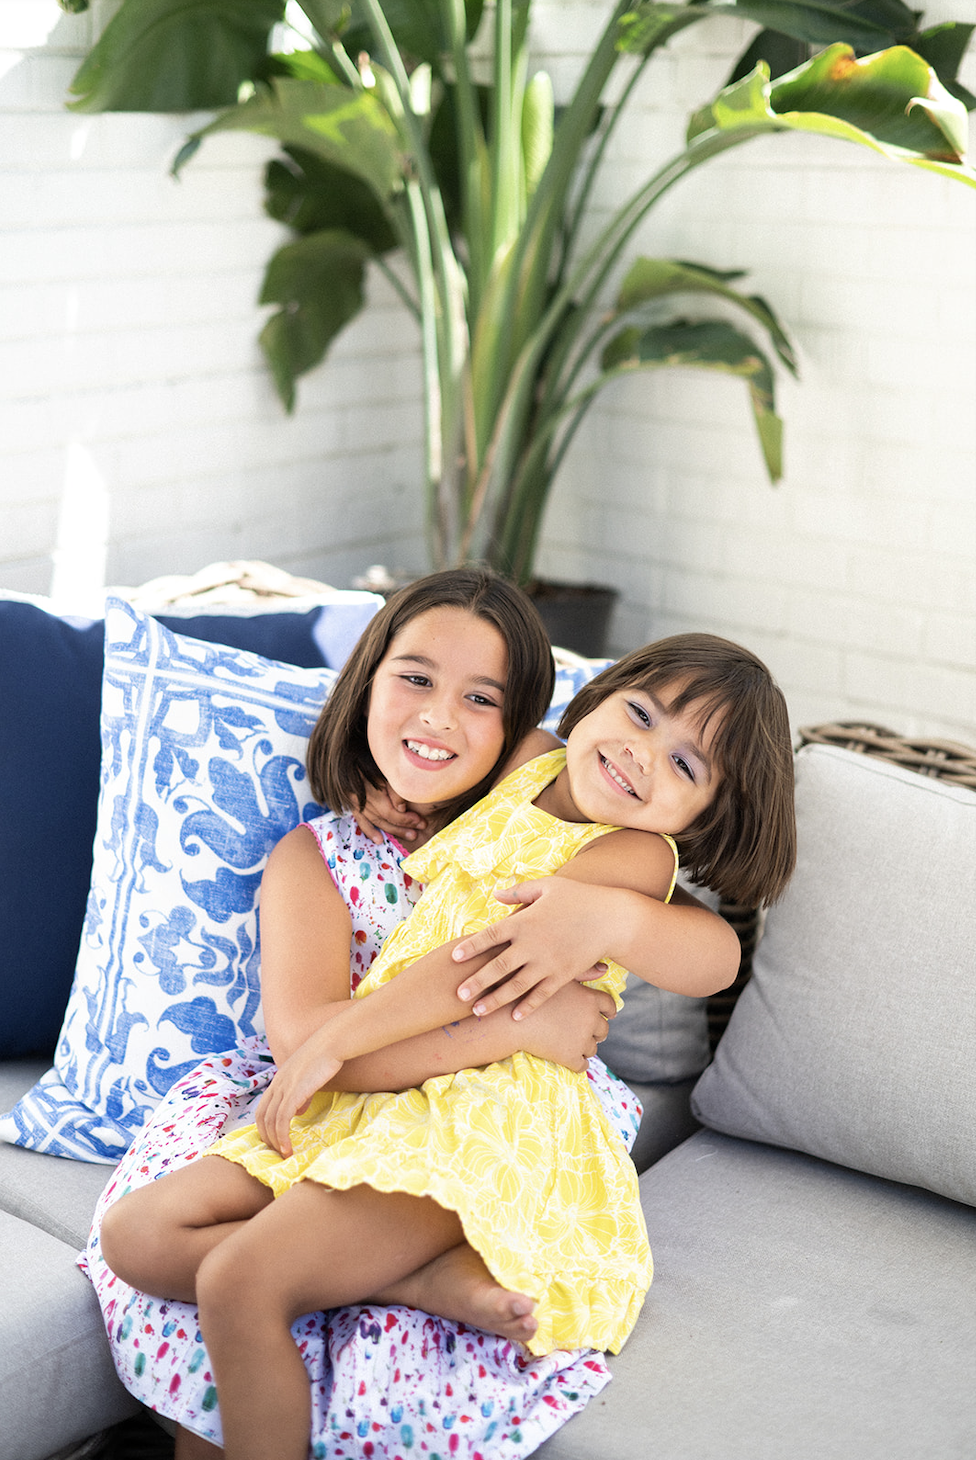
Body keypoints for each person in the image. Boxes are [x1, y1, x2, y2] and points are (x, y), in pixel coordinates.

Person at [94, 578, 780, 1458]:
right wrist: (395, 804)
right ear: (596, 696)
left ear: (703, 814)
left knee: (239, 1280)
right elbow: (452, 765)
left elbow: (486, 968)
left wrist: (348, 1032)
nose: (646, 755)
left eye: (687, 765)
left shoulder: (628, 853)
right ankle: (410, 1280)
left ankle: (363, 1282)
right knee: (136, 1233)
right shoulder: (529, 760)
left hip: (486, 1111)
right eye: (642, 715)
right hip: (379, 1090)